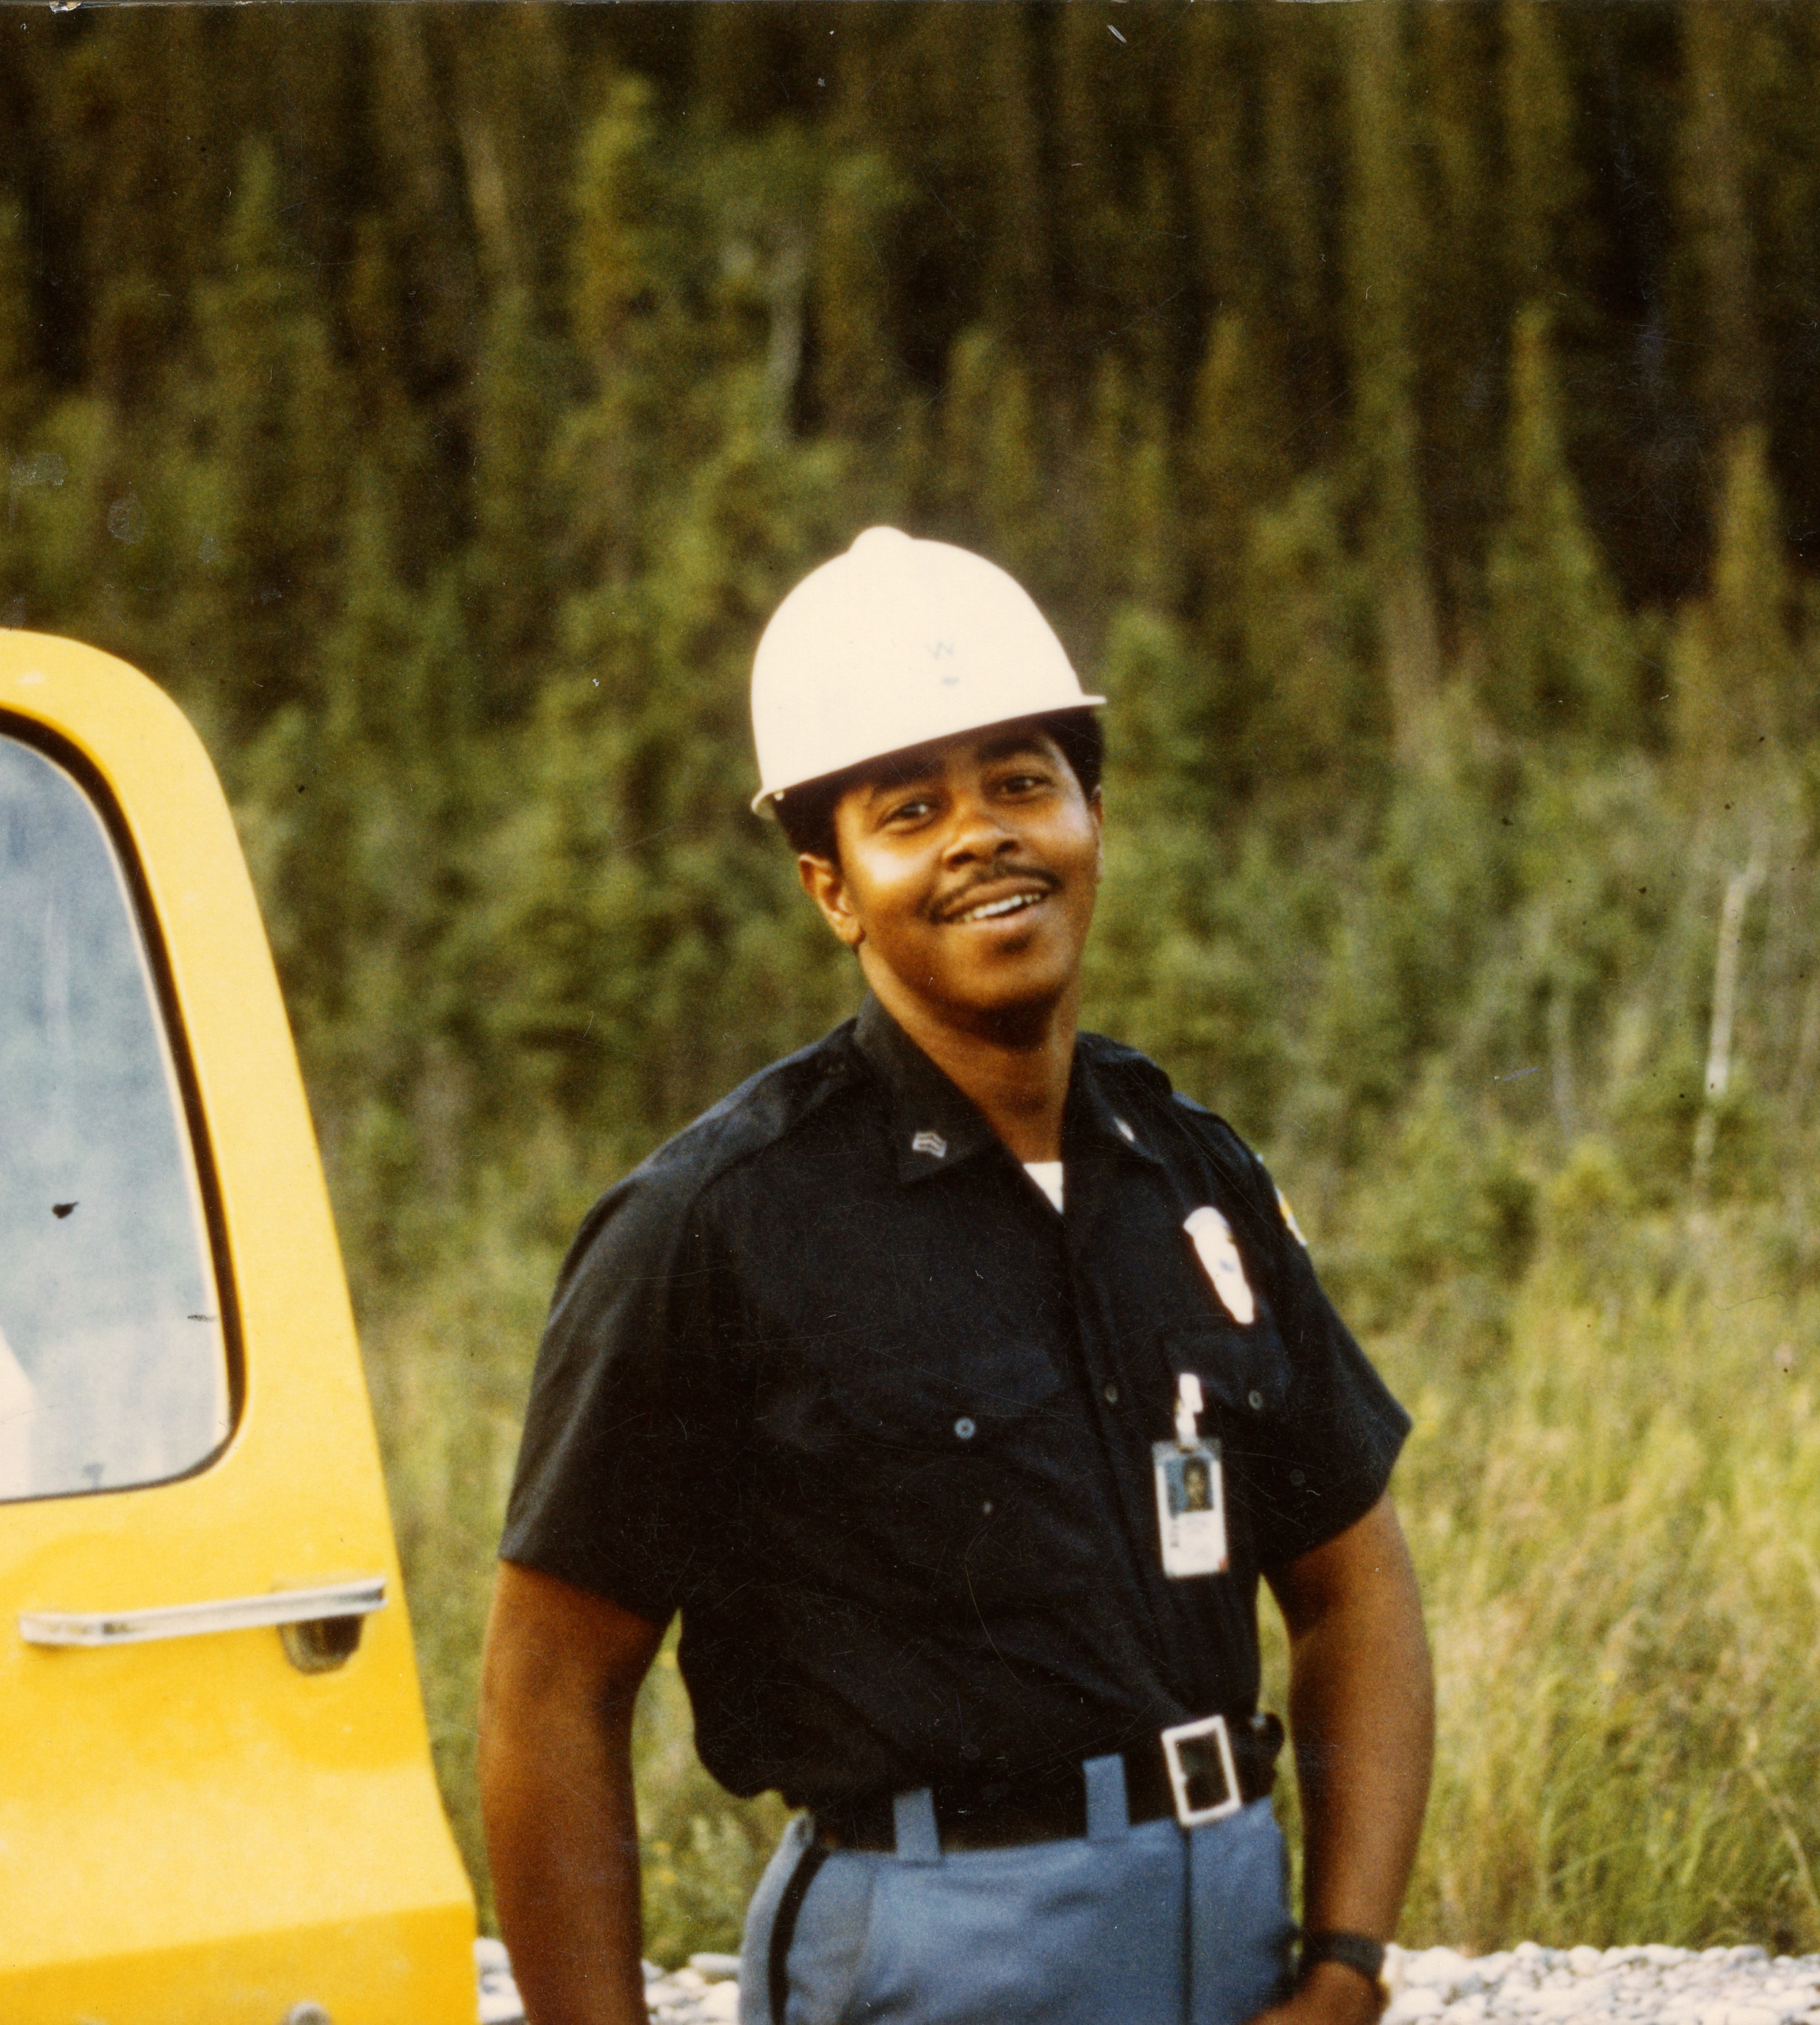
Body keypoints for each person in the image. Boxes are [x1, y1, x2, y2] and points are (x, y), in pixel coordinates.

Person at [478, 528, 1433, 2025]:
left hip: (1231, 1925)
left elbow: (1354, 1584)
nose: (981, 837)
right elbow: (549, 1690)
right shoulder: (716, 1225)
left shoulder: (1192, 1176)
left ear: (1094, 818)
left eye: (1020, 783)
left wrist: (1344, 1964)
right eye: (910, 810)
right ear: (832, 888)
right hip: (930, 1949)